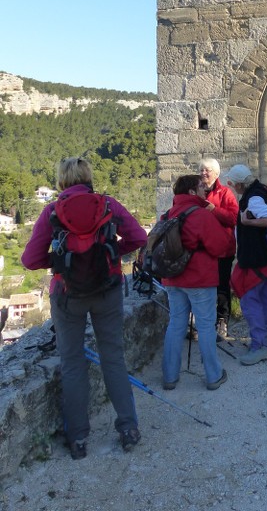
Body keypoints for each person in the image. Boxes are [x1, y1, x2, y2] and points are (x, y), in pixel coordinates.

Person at [21, 157, 147, 460]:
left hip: (67, 295)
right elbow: (140, 237)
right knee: (113, 358)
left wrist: (60, 263)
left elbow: (29, 260)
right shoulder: (108, 204)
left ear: (62, 181)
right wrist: (109, 253)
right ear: (87, 177)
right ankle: (128, 428)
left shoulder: (52, 211)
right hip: (107, 289)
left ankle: (78, 439)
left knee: (72, 364)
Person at [161, 174, 230, 391]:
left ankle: (170, 377)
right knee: (206, 326)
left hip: (172, 277)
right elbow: (221, 246)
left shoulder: (168, 214)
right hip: (199, 278)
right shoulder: (200, 214)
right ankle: (213, 375)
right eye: (201, 187)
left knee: (175, 324)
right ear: (191, 192)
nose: (204, 190)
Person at [226, 164, 267, 366]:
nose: (231, 187)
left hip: (254, 259)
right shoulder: (263, 190)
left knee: (250, 302)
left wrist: (248, 223)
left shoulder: (253, 198)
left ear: (240, 184)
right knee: (264, 299)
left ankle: (260, 346)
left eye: (232, 183)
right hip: (266, 257)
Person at [198, 157, 239, 340]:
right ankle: (203, 322)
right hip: (201, 250)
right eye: (201, 170)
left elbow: (233, 218)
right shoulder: (196, 192)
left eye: (207, 170)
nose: (204, 173)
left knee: (222, 286)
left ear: (216, 173)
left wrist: (213, 209)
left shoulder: (225, 193)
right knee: (202, 286)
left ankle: (222, 321)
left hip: (222, 249)